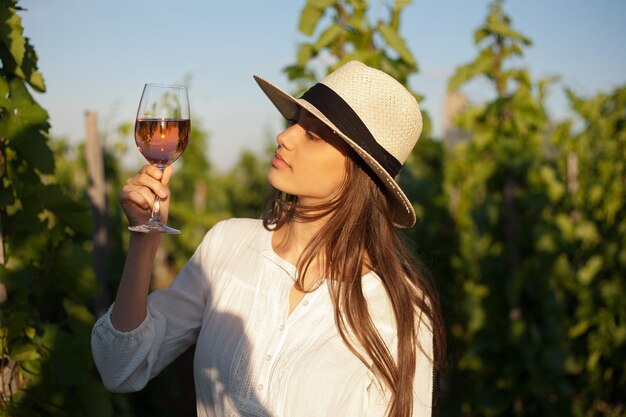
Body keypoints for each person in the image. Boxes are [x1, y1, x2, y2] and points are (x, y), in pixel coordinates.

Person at [91, 60, 445, 417]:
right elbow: (119, 367)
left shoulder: (401, 308)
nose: (284, 136)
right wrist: (144, 240)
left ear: (361, 174)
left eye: (314, 135)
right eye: (295, 123)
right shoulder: (226, 244)